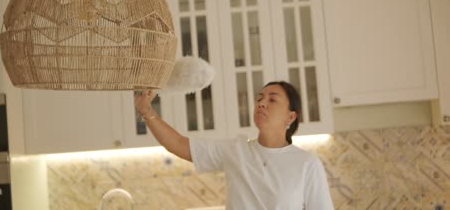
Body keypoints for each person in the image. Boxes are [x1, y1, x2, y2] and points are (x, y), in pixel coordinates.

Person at [135, 81, 334, 210]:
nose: (262, 103)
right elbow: (178, 144)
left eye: (272, 99)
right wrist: (146, 110)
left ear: (291, 116)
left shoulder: (306, 164)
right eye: (259, 98)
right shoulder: (236, 151)